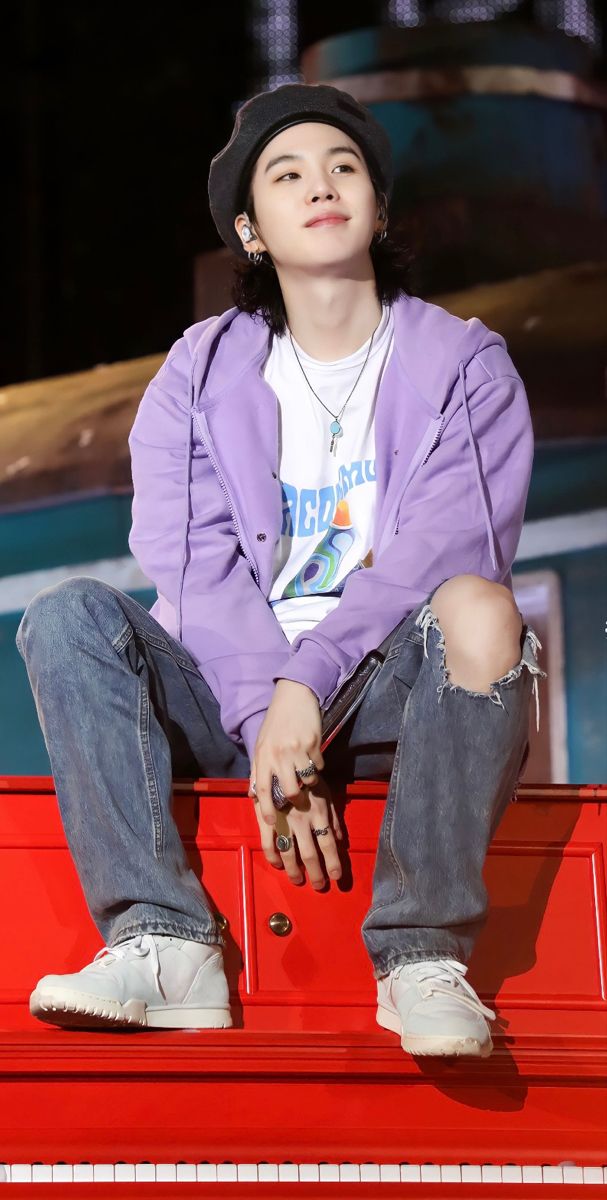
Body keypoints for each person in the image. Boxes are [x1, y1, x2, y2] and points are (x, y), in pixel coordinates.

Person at [16, 83, 545, 1056]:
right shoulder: (197, 372)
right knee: (67, 616)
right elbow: (193, 567)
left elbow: (440, 553)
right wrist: (267, 715)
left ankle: (422, 957)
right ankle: (163, 943)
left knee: (478, 608)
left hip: (388, 696)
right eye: (287, 172)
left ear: (379, 207)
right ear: (251, 230)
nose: (321, 185)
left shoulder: (465, 364)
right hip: (229, 699)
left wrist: (306, 688)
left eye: (345, 166)